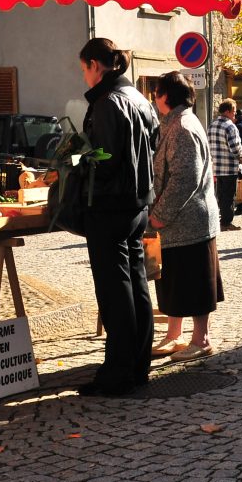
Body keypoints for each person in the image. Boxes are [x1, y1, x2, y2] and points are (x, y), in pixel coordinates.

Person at [73, 37, 159, 396]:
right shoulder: (138, 97)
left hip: (111, 205)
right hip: (137, 202)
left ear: (95, 65)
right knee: (136, 283)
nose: (84, 78)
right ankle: (138, 365)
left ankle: (119, 372)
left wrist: (74, 162)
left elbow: (104, 162)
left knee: (115, 289)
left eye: (83, 70)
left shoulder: (109, 102)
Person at [148, 73, 221, 361]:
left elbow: (184, 179)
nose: (154, 98)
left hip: (188, 221)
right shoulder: (174, 123)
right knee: (174, 281)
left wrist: (159, 216)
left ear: (166, 96)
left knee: (194, 282)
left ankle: (201, 339)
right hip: (176, 224)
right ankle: (174, 335)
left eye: (156, 92)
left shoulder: (182, 126)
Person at [210, 99, 242, 231]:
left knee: (221, 195)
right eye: (234, 112)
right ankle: (226, 222)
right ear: (227, 111)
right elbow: (235, 148)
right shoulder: (230, 126)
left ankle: (222, 220)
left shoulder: (212, 125)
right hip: (229, 167)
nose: (234, 115)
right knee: (229, 196)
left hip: (217, 167)